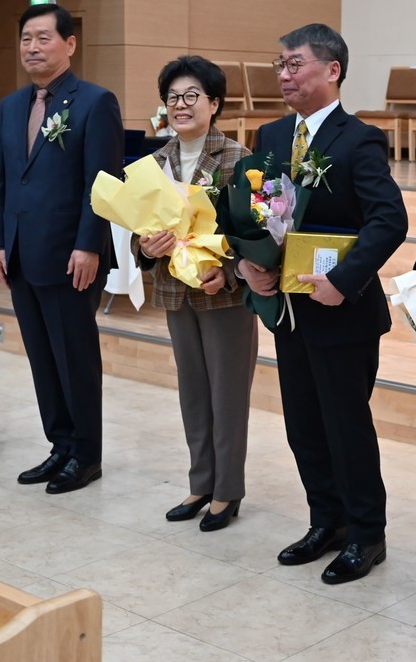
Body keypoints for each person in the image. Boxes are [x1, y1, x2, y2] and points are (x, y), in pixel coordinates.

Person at [236, 23, 408, 585]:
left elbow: (389, 219)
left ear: (332, 70)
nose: (283, 74)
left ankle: (366, 533)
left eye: (295, 64)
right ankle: (325, 520)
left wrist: (348, 279)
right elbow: (248, 216)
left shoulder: (358, 139)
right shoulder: (270, 135)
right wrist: (248, 264)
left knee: (345, 425)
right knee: (304, 424)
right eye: (279, 64)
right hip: (289, 310)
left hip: (341, 309)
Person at [0, 3, 124, 495]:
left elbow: (104, 181)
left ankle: (86, 455)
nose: (32, 47)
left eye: (43, 38)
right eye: (26, 38)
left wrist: (89, 245)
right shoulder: (10, 106)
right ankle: (60, 445)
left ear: (70, 44)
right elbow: (3, 180)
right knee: (43, 358)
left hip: (72, 257)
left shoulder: (94, 102)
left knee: (75, 358)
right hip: (21, 255)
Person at [135, 56, 257, 532]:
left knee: (228, 395)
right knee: (192, 393)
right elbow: (136, 229)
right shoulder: (153, 162)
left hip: (221, 294)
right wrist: (145, 245)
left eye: (191, 96)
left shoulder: (237, 157)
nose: (180, 105)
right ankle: (200, 481)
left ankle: (227, 490)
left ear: (214, 103)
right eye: (172, 98)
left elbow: (254, 231)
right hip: (175, 292)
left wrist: (227, 272)